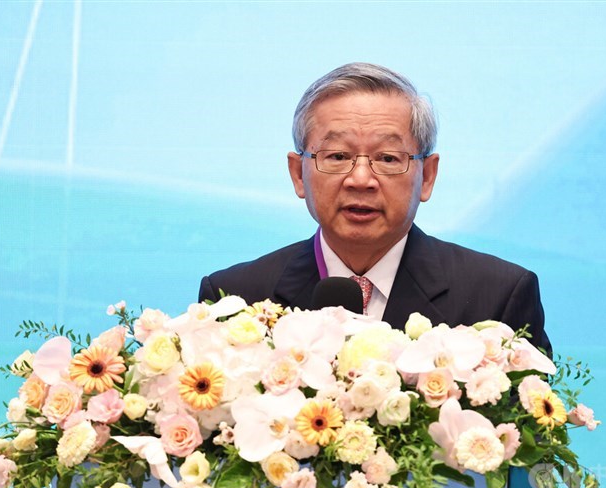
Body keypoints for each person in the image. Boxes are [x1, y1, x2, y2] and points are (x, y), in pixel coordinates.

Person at [199, 62, 550, 353]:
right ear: (298, 175)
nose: (361, 179)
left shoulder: (497, 296)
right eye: (337, 156)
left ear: (427, 176)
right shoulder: (236, 297)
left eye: (387, 158)